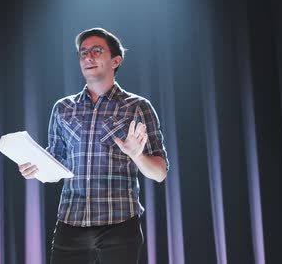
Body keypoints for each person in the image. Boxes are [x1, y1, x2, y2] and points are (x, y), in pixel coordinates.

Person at [18, 28, 169, 263]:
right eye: (83, 53)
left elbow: (159, 173)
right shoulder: (63, 108)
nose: (88, 57)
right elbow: (57, 165)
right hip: (70, 224)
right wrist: (36, 169)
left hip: (119, 227)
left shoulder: (138, 107)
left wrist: (137, 156)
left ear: (115, 61)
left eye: (97, 51)